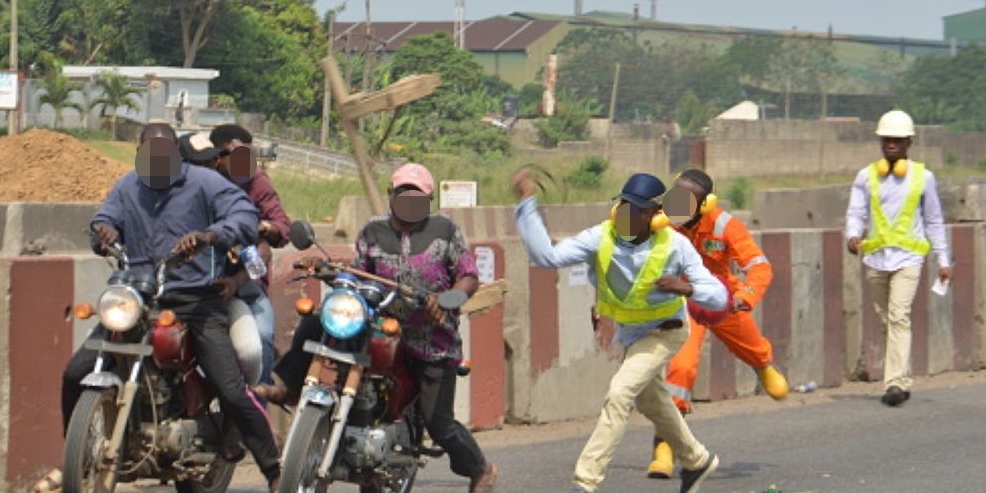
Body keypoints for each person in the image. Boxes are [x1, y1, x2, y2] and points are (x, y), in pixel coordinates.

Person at [34, 122, 282, 493]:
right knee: (75, 372)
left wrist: (210, 235)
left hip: (194, 298)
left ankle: (273, 469)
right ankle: (78, 452)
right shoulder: (128, 185)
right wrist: (104, 231)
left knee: (231, 388)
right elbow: (105, 216)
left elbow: (244, 216)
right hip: (136, 295)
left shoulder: (204, 182)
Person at [254, 163, 500, 493]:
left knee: (439, 423)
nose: (409, 200)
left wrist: (448, 298)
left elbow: (468, 275)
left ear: (428, 199)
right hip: (379, 327)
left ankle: (480, 469)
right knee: (316, 320)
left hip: (432, 339)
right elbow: (359, 272)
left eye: (417, 195)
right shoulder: (372, 231)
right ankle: (289, 385)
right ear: (391, 194)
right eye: (403, 193)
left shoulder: (444, 230)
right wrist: (326, 269)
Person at [513, 170, 725, 493]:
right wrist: (527, 203)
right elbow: (546, 257)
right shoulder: (601, 237)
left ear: (653, 214)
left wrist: (687, 287)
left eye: (636, 208)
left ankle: (586, 481)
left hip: (666, 332)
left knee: (619, 394)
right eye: (624, 204)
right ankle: (697, 461)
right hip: (631, 335)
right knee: (653, 404)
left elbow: (719, 296)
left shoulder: (675, 246)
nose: (627, 213)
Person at [645, 168, 788, 479]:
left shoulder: (725, 225)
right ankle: (664, 446)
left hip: (723, 296)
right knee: (681, 369)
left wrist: (746, 296)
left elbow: (759, 266)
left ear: (705, 204)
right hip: (683, 300)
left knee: (752, 346)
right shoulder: (661, 222)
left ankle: (763, 365)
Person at [845, 109, 951, 407]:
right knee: (886, 320)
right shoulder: (866, 176)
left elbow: (934, 220)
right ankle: (902, 380)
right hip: (875, 259)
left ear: (909, 143)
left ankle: (892, 384)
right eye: (886, 139)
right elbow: (856, 212)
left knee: (898, 315)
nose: (891, 144)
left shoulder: (923, 177)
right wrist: (852, 235)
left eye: (898, 140)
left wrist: (944, 260)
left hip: (909, 259)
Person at [208, 123, 293, 386]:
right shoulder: (201, 181)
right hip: (201, 279)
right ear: (217, 158)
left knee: (263, 334)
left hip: (247, 278)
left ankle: (259, 398)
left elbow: (282, 227)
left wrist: (265, 228)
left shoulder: (258, 181)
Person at [179, 130, 264, 387]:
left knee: (250, 351)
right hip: (162, 300)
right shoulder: (155, 199)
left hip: (217, 299)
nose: (207, 171)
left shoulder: (229, 199)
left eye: (211, 162)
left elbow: (257, 254)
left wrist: (236, 282)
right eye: (198, 165)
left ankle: (244, 404)